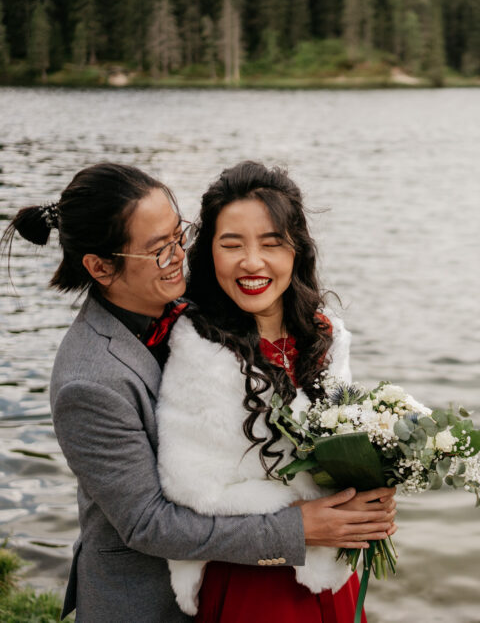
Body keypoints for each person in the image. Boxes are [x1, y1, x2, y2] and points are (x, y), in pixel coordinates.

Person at [0, 163, 396, 622]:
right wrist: (299, 528)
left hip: (257, 576)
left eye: (179, 236)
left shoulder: (199, 310)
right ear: (100, 267)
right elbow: (148, 523)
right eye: (159, 251)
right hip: (152, 602)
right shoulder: (89, 381)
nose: (179, 256)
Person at [156, 161, 387, 623]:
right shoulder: (195, 347)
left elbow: (345, 445)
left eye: (271, 243)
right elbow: (191, 486)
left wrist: (370, 503)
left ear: (296, 250)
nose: (252, 262)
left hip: (330, 569)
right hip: (251, 577)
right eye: (232, 244)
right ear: (210, 254)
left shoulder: (326, 335)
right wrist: (300, 516)